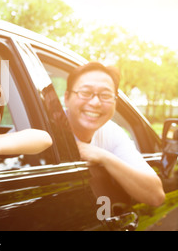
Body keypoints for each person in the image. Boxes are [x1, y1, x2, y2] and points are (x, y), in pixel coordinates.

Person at [64, 62, 165, 206]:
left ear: (115, 102)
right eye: (85, 93)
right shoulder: (44, 131)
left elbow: (156, 196)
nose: (95, 102)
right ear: (66, 98)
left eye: (105, 95)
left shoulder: (111, 132)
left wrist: (104, 157)